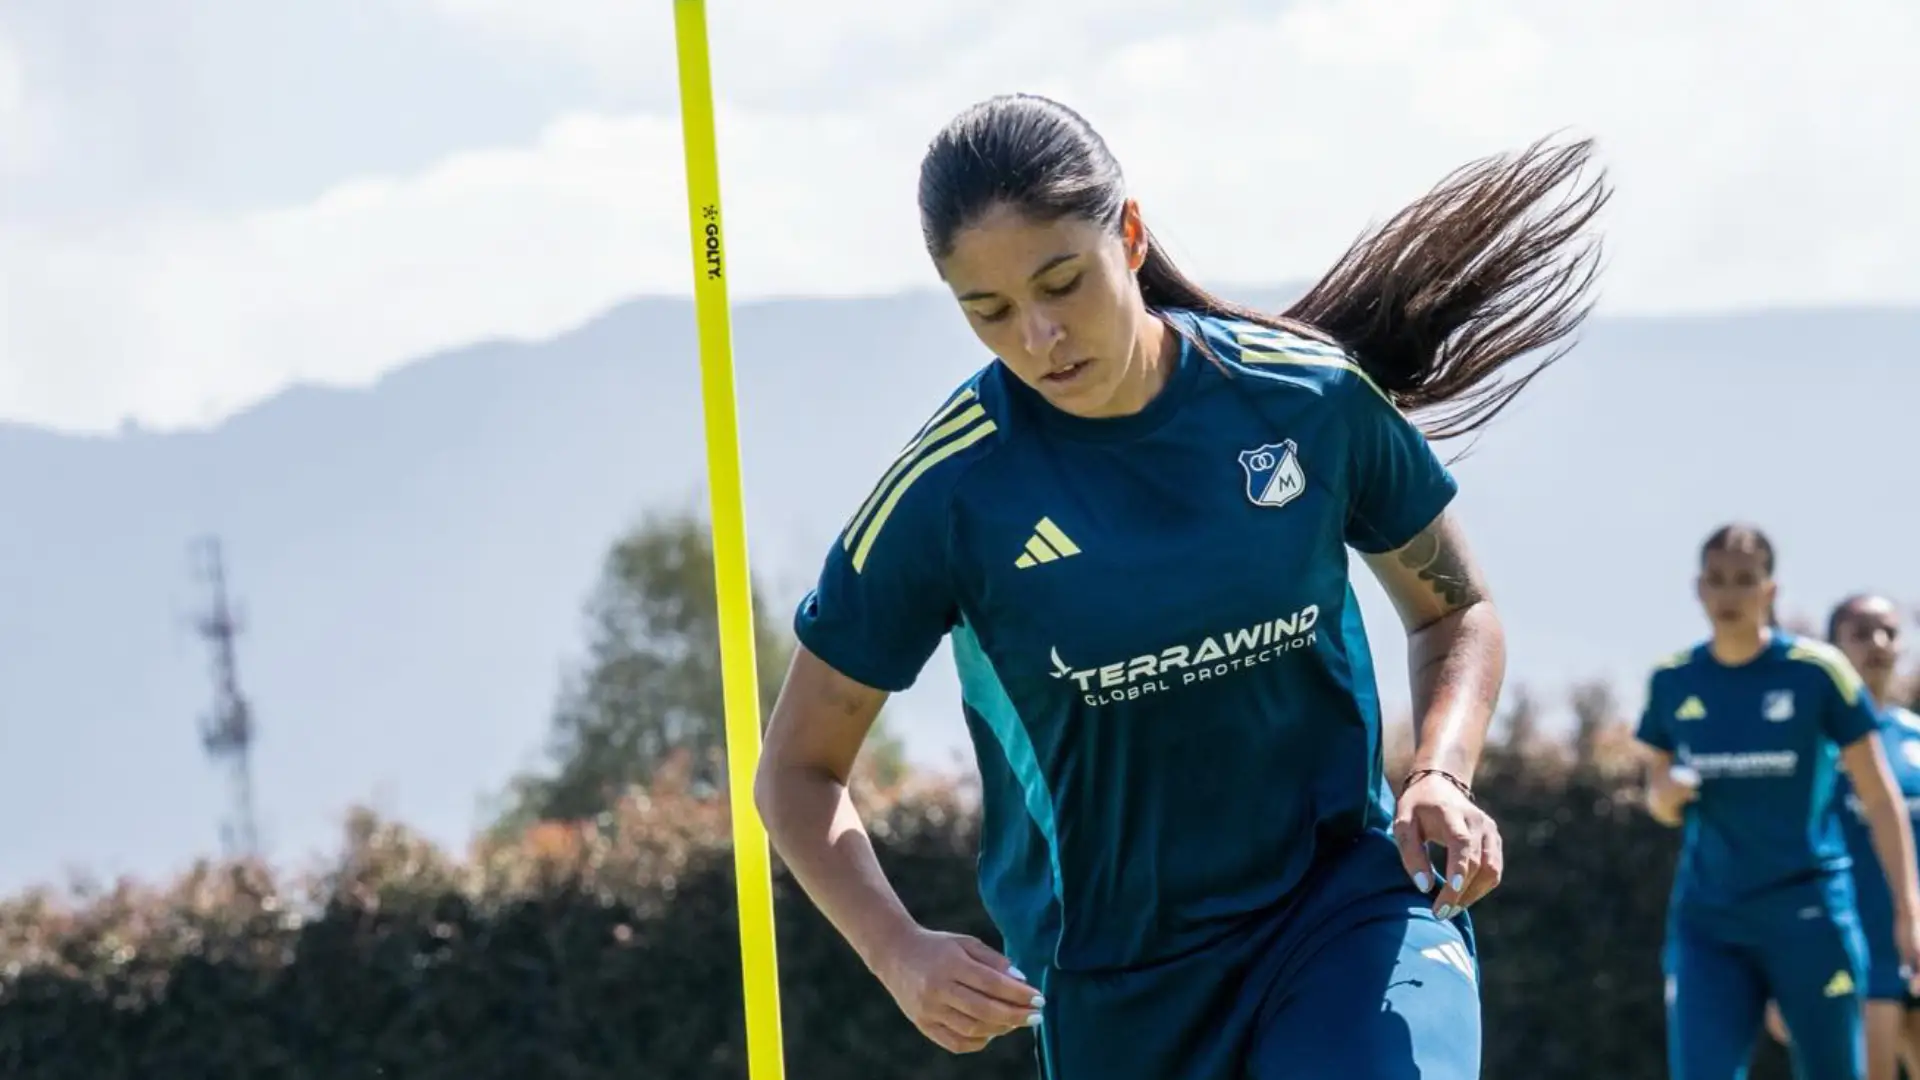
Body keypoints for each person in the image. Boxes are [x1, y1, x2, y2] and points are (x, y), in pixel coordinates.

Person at [754, 91, 1609, 1079]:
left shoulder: (1304, 397)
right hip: (1117, 996)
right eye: (988, 312)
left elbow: (1456, 611)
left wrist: (1440, 776)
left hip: (1344, 917)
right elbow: (798, 771)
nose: (1038, 336)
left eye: (1061, 284)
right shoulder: (948, 492)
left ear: (1128, 233)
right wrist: (899, 951)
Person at [1637, 527, 1920, 1080]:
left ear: (1770, 591)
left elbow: (1880, 796)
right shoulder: (1673, 680)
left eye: (1745, 581)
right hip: (1710, 923)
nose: (1730, 595)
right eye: (1717, 581)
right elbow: (1659, 797)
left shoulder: (1817, 672)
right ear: (1698, 589)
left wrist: (1909, 912)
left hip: (1810, 917)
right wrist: (1667, 794)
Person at [1764, 593, 1920, 1080]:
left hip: (1913, 943)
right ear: (1834, 648)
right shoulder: (1815, 744)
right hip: (1852, 947)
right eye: (1861, 633)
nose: (1877, 644)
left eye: (1888, 632)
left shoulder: (1915, 737)